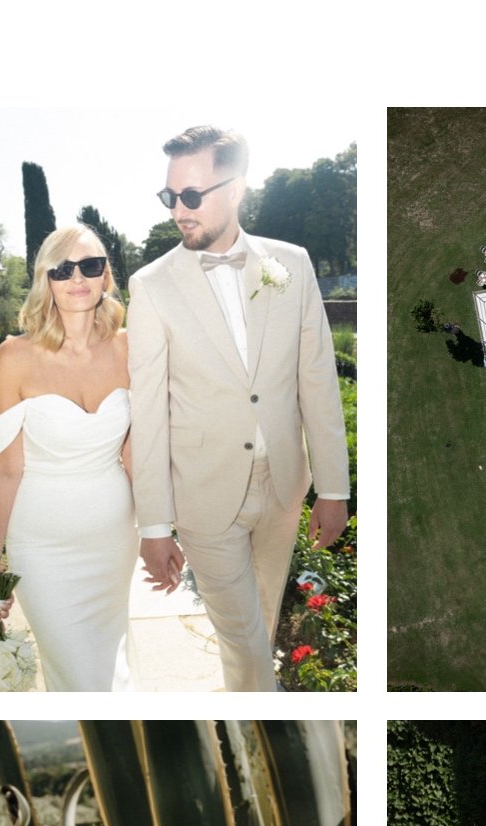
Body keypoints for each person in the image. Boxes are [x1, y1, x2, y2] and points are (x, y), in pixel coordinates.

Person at [127, 124, 350, 692]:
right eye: (170, 196)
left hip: (282, 490)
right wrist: (154, 526)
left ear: (236, 190)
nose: (180, 210)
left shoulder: (292, 264)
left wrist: (332, 489)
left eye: (192, 196)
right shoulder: (151, 286)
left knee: (259, 630)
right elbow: (148, 412)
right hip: (204, 495)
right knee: (248, 645)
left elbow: (317, 381)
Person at [0, 226, 137, 691]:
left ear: (106, 275)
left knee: (111, 669)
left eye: (90, 265)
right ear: (45, 280)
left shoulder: (129, 347)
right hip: (43, 549)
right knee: (81, 680)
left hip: (114, 542)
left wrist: (156, 530)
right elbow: (6, 467)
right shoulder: (15, 357)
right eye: (62, 269)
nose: (77, 278)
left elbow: (132, 449)